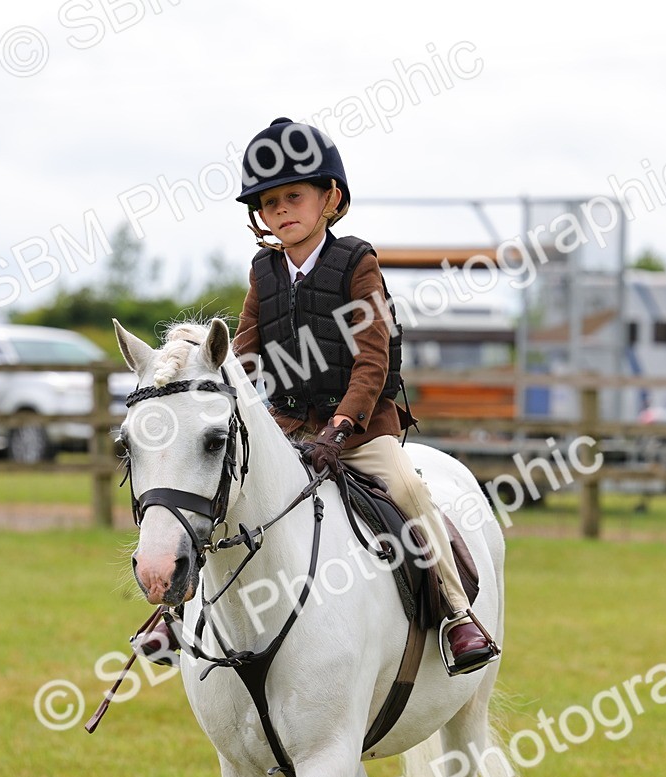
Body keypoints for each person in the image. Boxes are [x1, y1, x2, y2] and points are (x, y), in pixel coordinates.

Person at [135, 117, 499, 676]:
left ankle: (455, 614)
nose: (281, 211)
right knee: (220, 495)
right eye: (269, 202)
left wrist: (341, 427)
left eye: (294, 197)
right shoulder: (264, 271)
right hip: (287, 430)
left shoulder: (357, 263)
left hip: (358, 431)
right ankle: (173, 612)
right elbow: (246, 354)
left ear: (330, 197)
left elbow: (373, 359)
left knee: (408, 489)